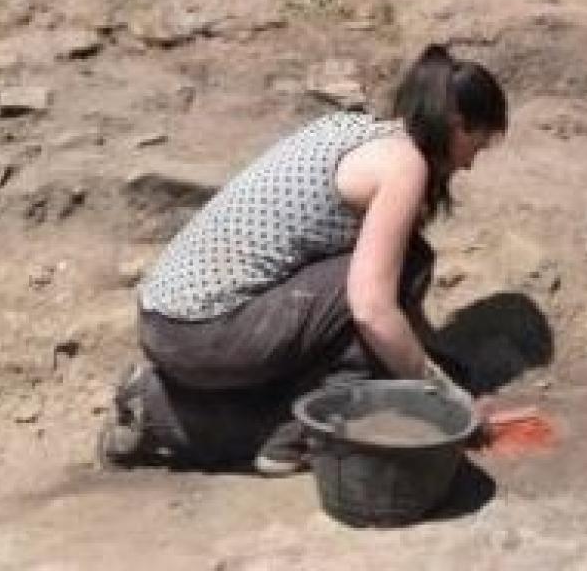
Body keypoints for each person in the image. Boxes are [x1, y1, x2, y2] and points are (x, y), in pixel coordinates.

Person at [96, 46, 507, 475]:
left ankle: (190, 407)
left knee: (400, 286)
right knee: (393, 296)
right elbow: (372, 309)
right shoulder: (403, 166)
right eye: (478, 144)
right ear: (459, 125)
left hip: (169, 319)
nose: (471, 163)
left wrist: (431, 366)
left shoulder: (360, 131)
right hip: (200, 332)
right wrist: (443, 397)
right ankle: (230, 426)